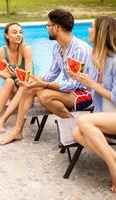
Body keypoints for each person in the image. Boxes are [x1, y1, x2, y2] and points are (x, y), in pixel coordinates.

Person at [0, 9, 93, 145]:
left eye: (48, 25)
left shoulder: (80, 50)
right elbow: (51, 74)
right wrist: (33, 81)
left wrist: (44, 85)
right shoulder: (58, 47)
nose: (47, 28)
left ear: (57, 28)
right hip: (71, 90)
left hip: (86, 93)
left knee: (45, 95)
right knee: (28, 89)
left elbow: (73, 84)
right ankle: (17, 131)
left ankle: (80, 129)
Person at [70, 16, 116, 193]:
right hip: (105, 114)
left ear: (101, 33)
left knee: (83, 122)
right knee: (76, 133)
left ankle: (113, 168)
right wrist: (77, 76)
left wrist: (92, 84)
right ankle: (113, 159)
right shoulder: (94, 58)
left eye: (92, 27)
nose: (89, 30)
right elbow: (89, 84)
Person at [0, 22, 33, 135]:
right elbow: (7, 75)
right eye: (14, 32)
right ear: (7, 35)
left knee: (23, 86)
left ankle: (3, 120)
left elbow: (29, 77)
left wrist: (19, 78)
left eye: (20, 32)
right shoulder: (3, 51)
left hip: (27, 91)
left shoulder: (27, 49)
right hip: (13, 91)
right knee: (8, 81)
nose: (18, 35)